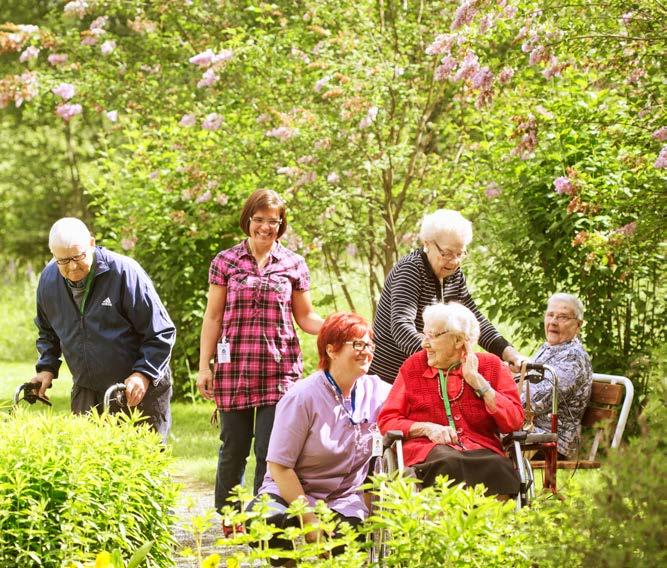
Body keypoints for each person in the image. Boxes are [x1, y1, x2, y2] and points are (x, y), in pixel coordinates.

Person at [197, 189, 323, 526]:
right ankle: (229, 518)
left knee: (270, 451)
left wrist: (340, 326)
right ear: (248, 220)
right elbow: (212, 317)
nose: (266, 227)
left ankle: (262, 519)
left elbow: (306, 317)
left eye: (273, 221)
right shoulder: (225, 262)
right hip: (233, 368)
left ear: (281, 224)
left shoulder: (293, 264)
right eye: (260, 220)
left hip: (279, 370)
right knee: (233, 448)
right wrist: (203, 367)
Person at [251, 312, 391, 557]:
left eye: (369, 344)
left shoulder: (377, 391)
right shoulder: (302, 397)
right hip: (290, 494)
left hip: (343, 500)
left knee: (347, 546)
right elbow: (280, 466)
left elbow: (414, 402)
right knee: (268, 524)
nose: (366, 351)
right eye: (357, 344)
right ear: (331, 350)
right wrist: (309, 520)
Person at [31, 217, 175, 441]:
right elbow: (48, 331)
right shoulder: (48, 280)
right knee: (89, 464)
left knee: (141, 464)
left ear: (91, 243)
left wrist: (143, 373)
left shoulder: (124, 272)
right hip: (87, 389)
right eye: (63, 260)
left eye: (78, 257)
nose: (72, 266)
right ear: (53, 255)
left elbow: (161, 331)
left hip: (136, 388)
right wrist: (46, 367)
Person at [378, 302, 524, 495]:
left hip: (482, 450)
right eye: (425, 335)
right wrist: (427, 428)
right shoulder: (413, 367)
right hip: (428, 451)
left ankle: (491, 523)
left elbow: (514, 422)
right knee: (448, 464)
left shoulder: (491, 366)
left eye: (433, 336)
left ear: (458, 340)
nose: (424, 343)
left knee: (498, 466)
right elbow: (387, 420)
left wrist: (478, 382)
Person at [369, 209, 525, 384]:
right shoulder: (410, 270)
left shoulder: (454, 275)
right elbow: (401, 326)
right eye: (447, 253)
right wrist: (440, 354)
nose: (454, 261)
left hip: (427, 375)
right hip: (390, 377)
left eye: (460, 254)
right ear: (427, 243)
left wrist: (507, 351)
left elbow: (473, 321)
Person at [523, 293, 593, 460]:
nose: (553, 321)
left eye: (562, 317)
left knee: (482, 438)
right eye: (550, 315)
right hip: (531, 432)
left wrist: (493, 397)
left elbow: (532, 402)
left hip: (552, 441)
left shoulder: (573, 358)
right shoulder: (550, 348)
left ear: (578, 325)